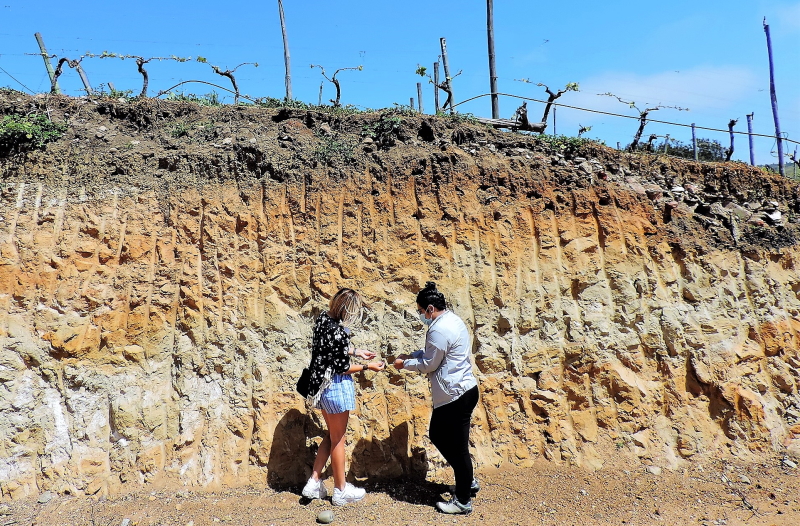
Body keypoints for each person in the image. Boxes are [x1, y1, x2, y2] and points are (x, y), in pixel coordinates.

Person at [393, 282, 480, 515]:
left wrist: (405, 364)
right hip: (465, 390)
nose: (422, 315)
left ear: (430, 308)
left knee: (446, 440)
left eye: (422, 312)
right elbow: (437, 354)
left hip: (454, 395)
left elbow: (430, 363)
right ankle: (467, 482)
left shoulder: (438, 329)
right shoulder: (452, 320)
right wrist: (412, 355)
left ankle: (463, 500)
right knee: (452, 442)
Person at [301, 288, 385, 505]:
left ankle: (314, 481)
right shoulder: (339, 331)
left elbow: (329, 349)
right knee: (339, 438)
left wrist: (356, 351)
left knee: (331, 434)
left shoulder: (323, 318)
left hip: (320, 386)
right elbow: (341, 366)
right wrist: (368, 365)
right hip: (335, 387)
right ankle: (340, 490)